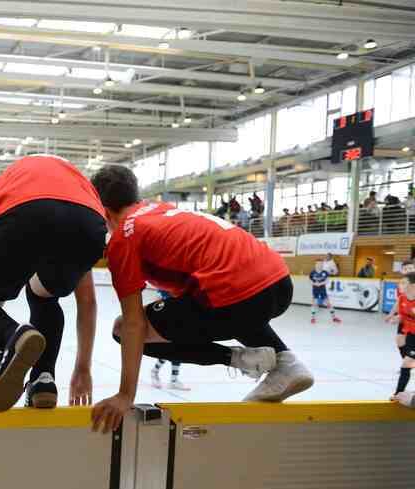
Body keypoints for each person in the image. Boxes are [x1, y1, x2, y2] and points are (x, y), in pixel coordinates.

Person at [89, 165, 313, 433]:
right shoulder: (160, 210)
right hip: (278, 282)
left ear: (103, 210)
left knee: (120, 329)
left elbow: (134, 324)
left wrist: (125, 395)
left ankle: (238, 359)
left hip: (240, 294)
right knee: (214, 298)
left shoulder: (125, 236)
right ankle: (286, 361)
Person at [0, 155, 107, 412]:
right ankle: (43, 380)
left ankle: (15, 336)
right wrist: (82, 368)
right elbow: (87, 302)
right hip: (89, 222)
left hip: (25, 212)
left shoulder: (4, 186)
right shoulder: (78, 187)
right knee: (43, 295)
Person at [149, 291, 190, 392]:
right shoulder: (165, 291)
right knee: (170, 351)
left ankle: (172, 379)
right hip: (168, 324)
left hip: (179, 323)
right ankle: (156, 372)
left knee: (177, 351)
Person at [386, 271, 415, 405]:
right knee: (404, 353)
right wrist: (396, 318)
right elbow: (404, 315)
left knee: (405, 365)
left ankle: (398, 394)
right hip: (410, 334)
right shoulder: (403, 298)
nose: (400, 285)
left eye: (404, 282)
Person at [309, 259, 341, 325]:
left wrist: (321, 283)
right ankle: (313, 318)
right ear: (315, 264)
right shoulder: (312, 273)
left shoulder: (325, 272)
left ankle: (334, 318)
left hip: (323, 291)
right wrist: (315, 284)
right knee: (314, 304)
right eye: (318, 264)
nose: (319, 265)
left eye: (321, 264)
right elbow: (309, 281)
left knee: (329, 304)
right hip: (315, 291)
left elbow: (327, 280)